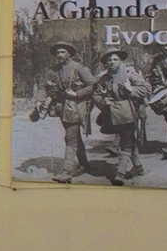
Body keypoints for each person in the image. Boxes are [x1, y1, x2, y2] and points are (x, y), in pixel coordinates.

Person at [95, 49, 149, 184]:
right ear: (106, 63)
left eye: (115, 59)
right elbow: (95, 94)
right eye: (109, 60)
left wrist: (131, 90)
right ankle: (138, 167)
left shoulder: (129, 74)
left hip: (128, 113)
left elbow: (147, 88)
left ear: (121, 61)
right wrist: (103, 102)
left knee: (125, 144)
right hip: (112, 116)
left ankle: (119, 172)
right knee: (129, 141)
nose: (112, 62)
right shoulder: (104, 78)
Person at [47, 43, 95, 183]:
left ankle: (66, 172)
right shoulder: (53, 70)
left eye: (62, 52)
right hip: (62, 108)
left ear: (69, 54)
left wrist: (77, 94)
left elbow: (92, 84)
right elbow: (44, 86)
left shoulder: (79, 68)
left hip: (75, 107)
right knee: (74, 136)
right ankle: (84, 165)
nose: (59, 55)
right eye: (57, 53)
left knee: (71, 137)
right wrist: (39, 100)